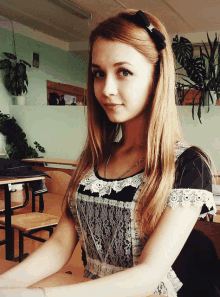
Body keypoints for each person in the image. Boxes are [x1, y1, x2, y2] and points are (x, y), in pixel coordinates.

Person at [0, 9, 217, 297]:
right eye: (98, 74)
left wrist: (39, 294)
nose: (106, 89)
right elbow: (59, 245)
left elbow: (148, 275)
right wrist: (6, 285)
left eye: (123, 72)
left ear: (156, 77)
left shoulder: (188, 163)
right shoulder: (94, 158)